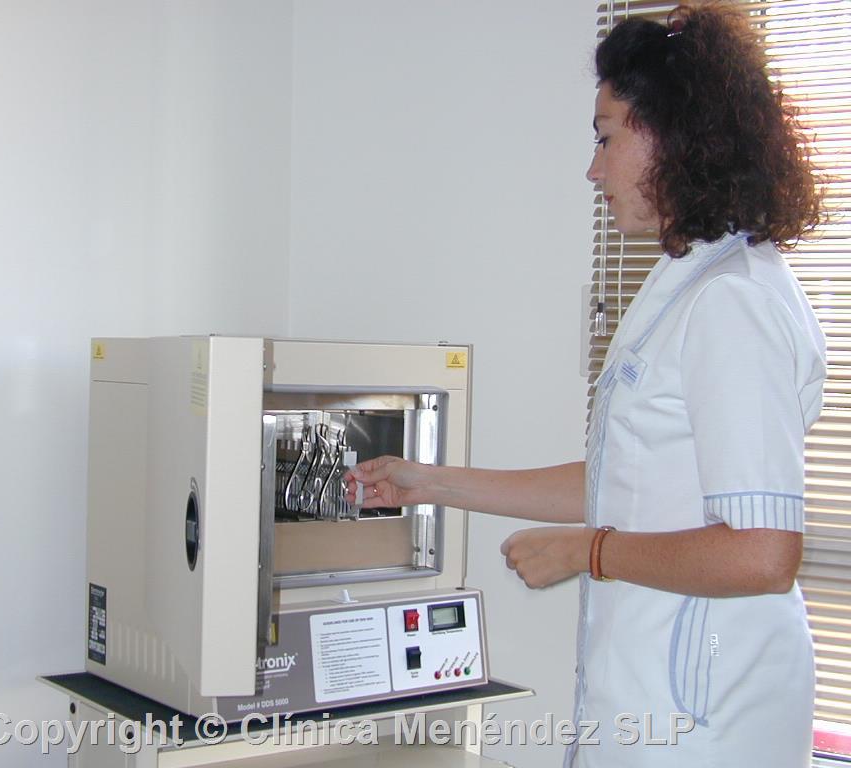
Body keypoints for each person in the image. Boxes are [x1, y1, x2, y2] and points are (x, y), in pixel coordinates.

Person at [345, 4, 826, 767]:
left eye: (606, 138)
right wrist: (427, 481)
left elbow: (763, 554)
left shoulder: (733, 302)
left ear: (675, 136)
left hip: (708, 721)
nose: (593, 170)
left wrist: (588, 552)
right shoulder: (687, 284)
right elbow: (624, 481)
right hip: (653, 704)